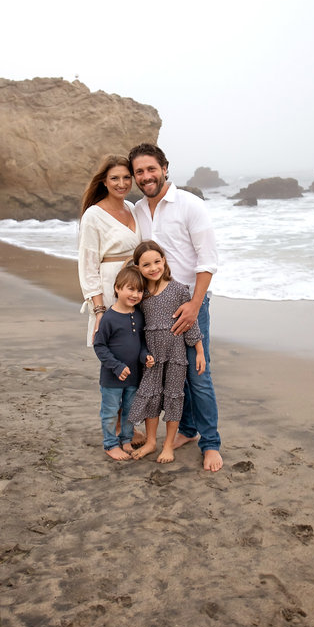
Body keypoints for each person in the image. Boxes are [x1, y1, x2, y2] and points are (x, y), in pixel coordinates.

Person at [128, 143, 223, 472]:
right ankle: (186, 430)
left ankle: (211, 444)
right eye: (139, 171)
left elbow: (208, 260)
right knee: (172, 375)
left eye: (151, 169)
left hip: (188, 304)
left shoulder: (190, 205)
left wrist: (194, 306)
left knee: (198, 376)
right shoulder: (138, 210)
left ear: (165, 168)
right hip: (153, 308)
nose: (146, 176)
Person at [129, 241, 205, 464]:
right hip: (151, 357)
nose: (153, 268)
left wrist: (199, 352)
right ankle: (151, 442)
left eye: (157, 261)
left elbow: (192, 325)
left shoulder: (179, 289)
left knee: (173, 397)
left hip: (175, 356)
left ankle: (168, 445)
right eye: (146, 265)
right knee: (151, 397)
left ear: (164, 261)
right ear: (138, 267)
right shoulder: (141, 295)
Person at [78, 154, 142, 346]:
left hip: (137, 288)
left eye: (126, 177)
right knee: (117, 354)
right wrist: (99, 310)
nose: (121, 183)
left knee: (137, 354)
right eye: (114, 178)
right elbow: (88, 267)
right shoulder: (93, 215)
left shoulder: (132, 208)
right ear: (104, 182)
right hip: (110, 291)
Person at [93, 265, 154, 461]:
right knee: (110, 412)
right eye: (130, 288)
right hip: (112, 377)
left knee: (130, 410)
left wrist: (145, 356)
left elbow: (141, 343)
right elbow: (100, 346)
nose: (135, 294)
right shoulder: (109, 318)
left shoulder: (139, 315)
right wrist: (117, 366)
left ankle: (126, 439)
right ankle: (110, 444)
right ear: (117, 288)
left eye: (139, 290)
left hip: (134, 376)